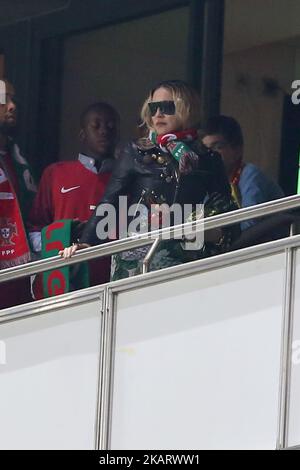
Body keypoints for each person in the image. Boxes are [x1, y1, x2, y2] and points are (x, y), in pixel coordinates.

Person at [60, 80, 238, 279]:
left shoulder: (207, 158)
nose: (158, 114)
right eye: (153, 107)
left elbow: (226, 211)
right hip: (137, 258)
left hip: (187, 257)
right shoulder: (135, 151)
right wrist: (87, 243)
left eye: (166, 107)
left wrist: (209, 232)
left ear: (186, 108)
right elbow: (110, 201)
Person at [28, 102, 120, 297]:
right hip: (63, 279)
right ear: (82, 135)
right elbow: (34, 229)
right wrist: (61, 238)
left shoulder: (127, 179)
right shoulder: (56, 174)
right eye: (96, 126)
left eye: (110, 126)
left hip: (113, 283)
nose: (104, 131)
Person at [202, 115, 284, 230]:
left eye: (218, 147)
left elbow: (249, 223)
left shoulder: (251, 174)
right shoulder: (213, 182)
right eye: (206, 149)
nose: (210, 155)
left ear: (237, 150)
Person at [0, 79, 36, 309]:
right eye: (4, 100)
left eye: (14, 100)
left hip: (15, 282)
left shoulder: (18, 161)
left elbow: (31, 216)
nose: (12, 106)